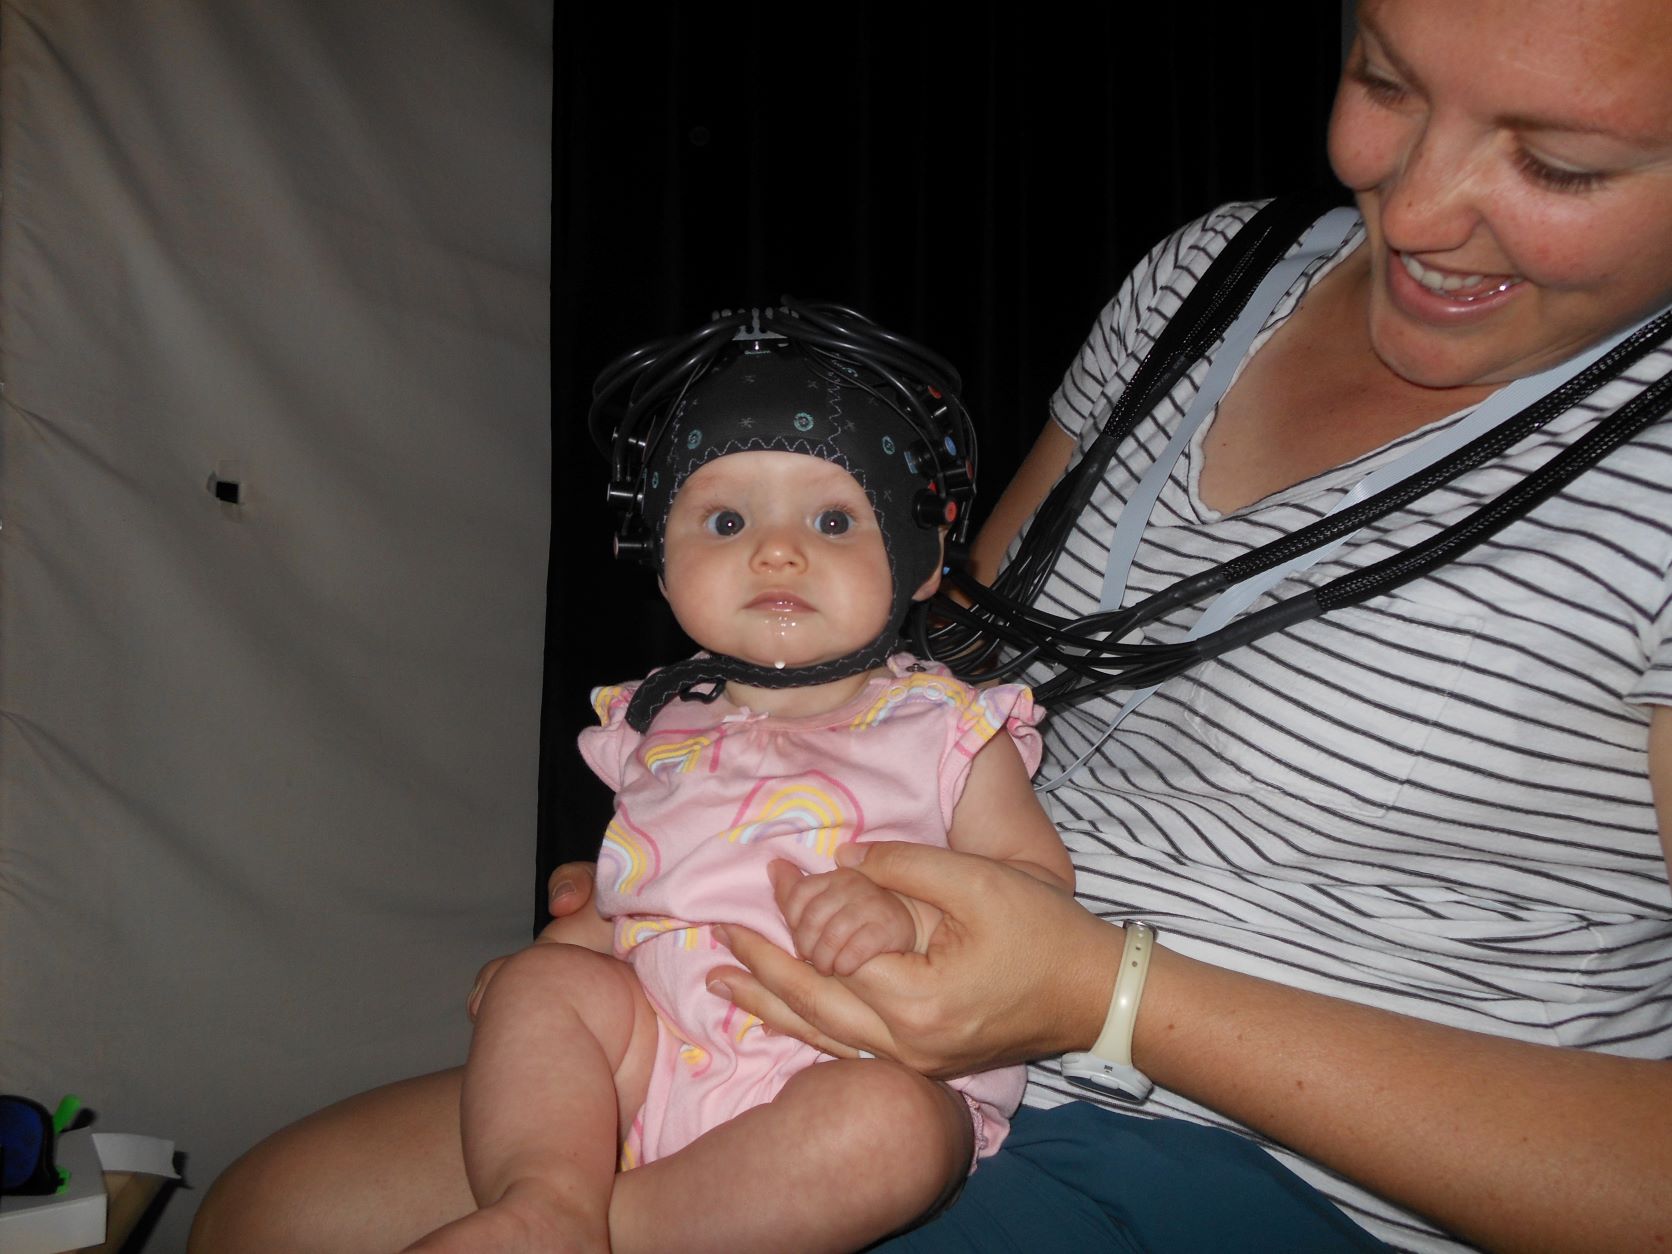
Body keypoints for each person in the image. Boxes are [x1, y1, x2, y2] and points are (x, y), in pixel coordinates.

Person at [189, 1, 1672, 1250]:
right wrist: (732, 815)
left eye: (1561, 161)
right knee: (272, 1211)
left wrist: (1111, 992)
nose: (1411, 206)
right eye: (1383, 83)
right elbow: (950, 632)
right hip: (860, 992)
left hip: (1270, 1155)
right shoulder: (1205, 279)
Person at [400, 332, 1073, 1253]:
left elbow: (1036, 888)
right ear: (660, 557)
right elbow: (639, 890)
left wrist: (911, 921)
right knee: (543, 984)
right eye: (726, 523)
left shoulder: (947, 723)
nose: (777, 555)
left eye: (833, 521)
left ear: (919, 557)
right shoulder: (658, 721)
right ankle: (544, 1204)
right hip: (654, 1048)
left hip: (855, 1058)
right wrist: (569, 952)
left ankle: (620, 1231)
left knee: (895, 1129)